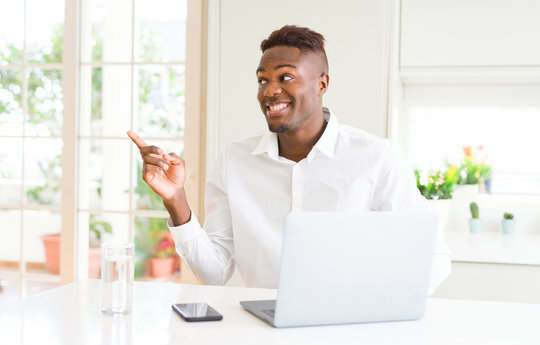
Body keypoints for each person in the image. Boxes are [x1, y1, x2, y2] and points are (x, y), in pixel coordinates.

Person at [128, 25, 451, 294]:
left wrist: (375, 310)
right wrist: (176, 198)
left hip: (347, 335)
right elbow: (214, 274)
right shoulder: (235, 160)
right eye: (262, 79)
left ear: (322, 83)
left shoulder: (375, 158)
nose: (269, 91)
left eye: (285, 78)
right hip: (258, 335)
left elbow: (434, 257)